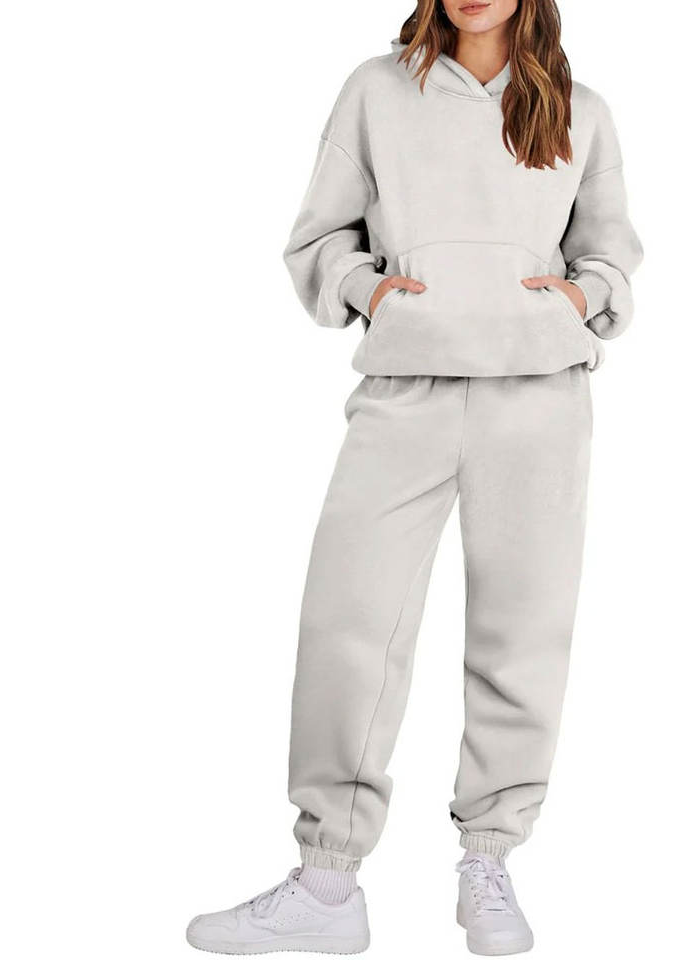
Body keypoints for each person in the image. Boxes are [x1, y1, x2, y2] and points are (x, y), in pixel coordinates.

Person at [186, 0, 642, 954]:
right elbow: (319, 238)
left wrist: (580, 294)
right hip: (406, 390)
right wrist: (369, 288)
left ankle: (489, 860)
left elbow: (611, 255)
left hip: (539, 397)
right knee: (349, 620)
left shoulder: (579, 108)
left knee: (523, 630)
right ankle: (327, 884)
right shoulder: (375, 91)